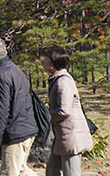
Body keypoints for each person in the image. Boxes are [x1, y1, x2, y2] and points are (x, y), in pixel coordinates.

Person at [0, 38, 39, 176]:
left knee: (9, 172)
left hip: (15, 133)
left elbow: (1, 110)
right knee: (21, 170)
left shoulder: (0, 76)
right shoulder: (16, 70)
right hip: (27, 129)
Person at [42, 46, 92, 176]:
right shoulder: (57, 79)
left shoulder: (63, 82)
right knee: (52, 171)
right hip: (63, 138)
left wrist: (45, 115)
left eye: (46, 58)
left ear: (53, 63)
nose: (43, 61)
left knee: (71, 173)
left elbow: (64, 111)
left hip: (70, 138)